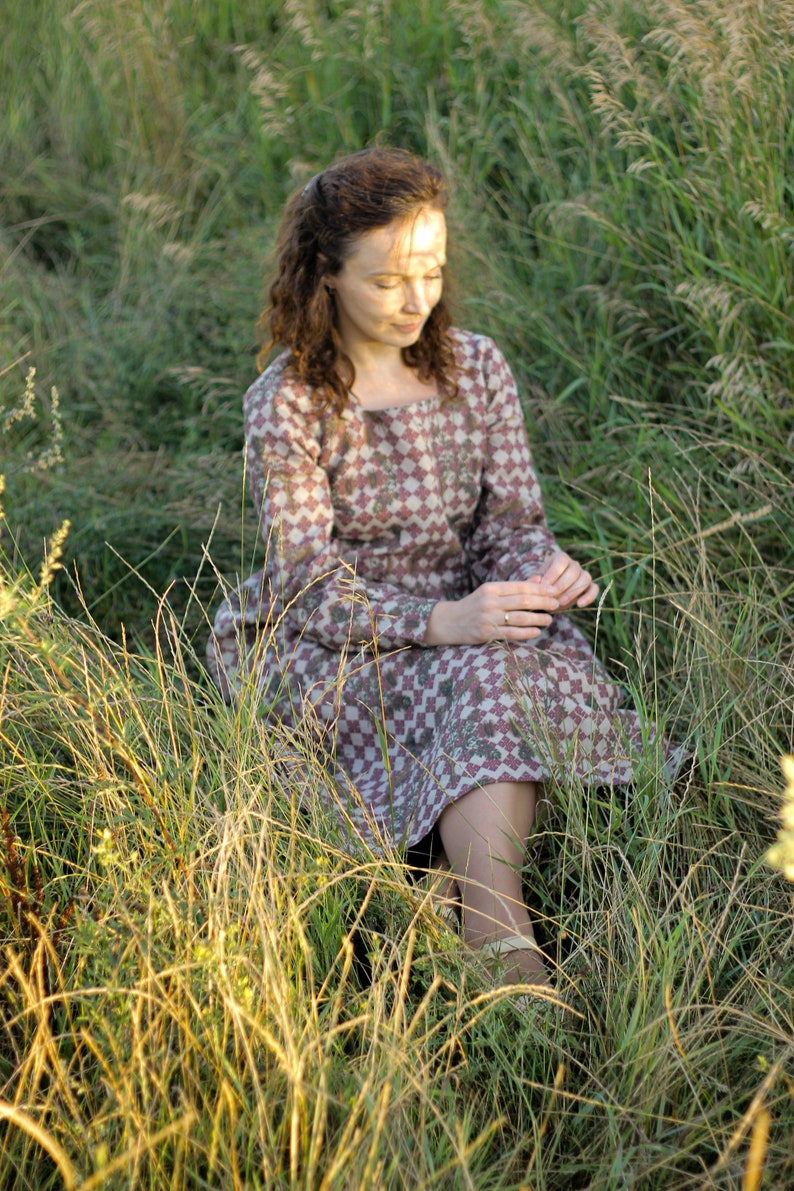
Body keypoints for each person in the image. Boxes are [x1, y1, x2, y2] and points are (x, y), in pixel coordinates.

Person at [207, 147, 675, 993]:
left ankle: (477, 921)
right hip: (341, 635)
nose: (418, 298)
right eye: (388, 281)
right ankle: (503, 942)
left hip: (468, 606)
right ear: (326, 279)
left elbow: (511, 525)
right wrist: (435, 623)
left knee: (495, 664)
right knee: (471, 664)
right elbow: (307, 581)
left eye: (432, 269)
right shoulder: (289, 403)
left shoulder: (478, 367)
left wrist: (545, 569)